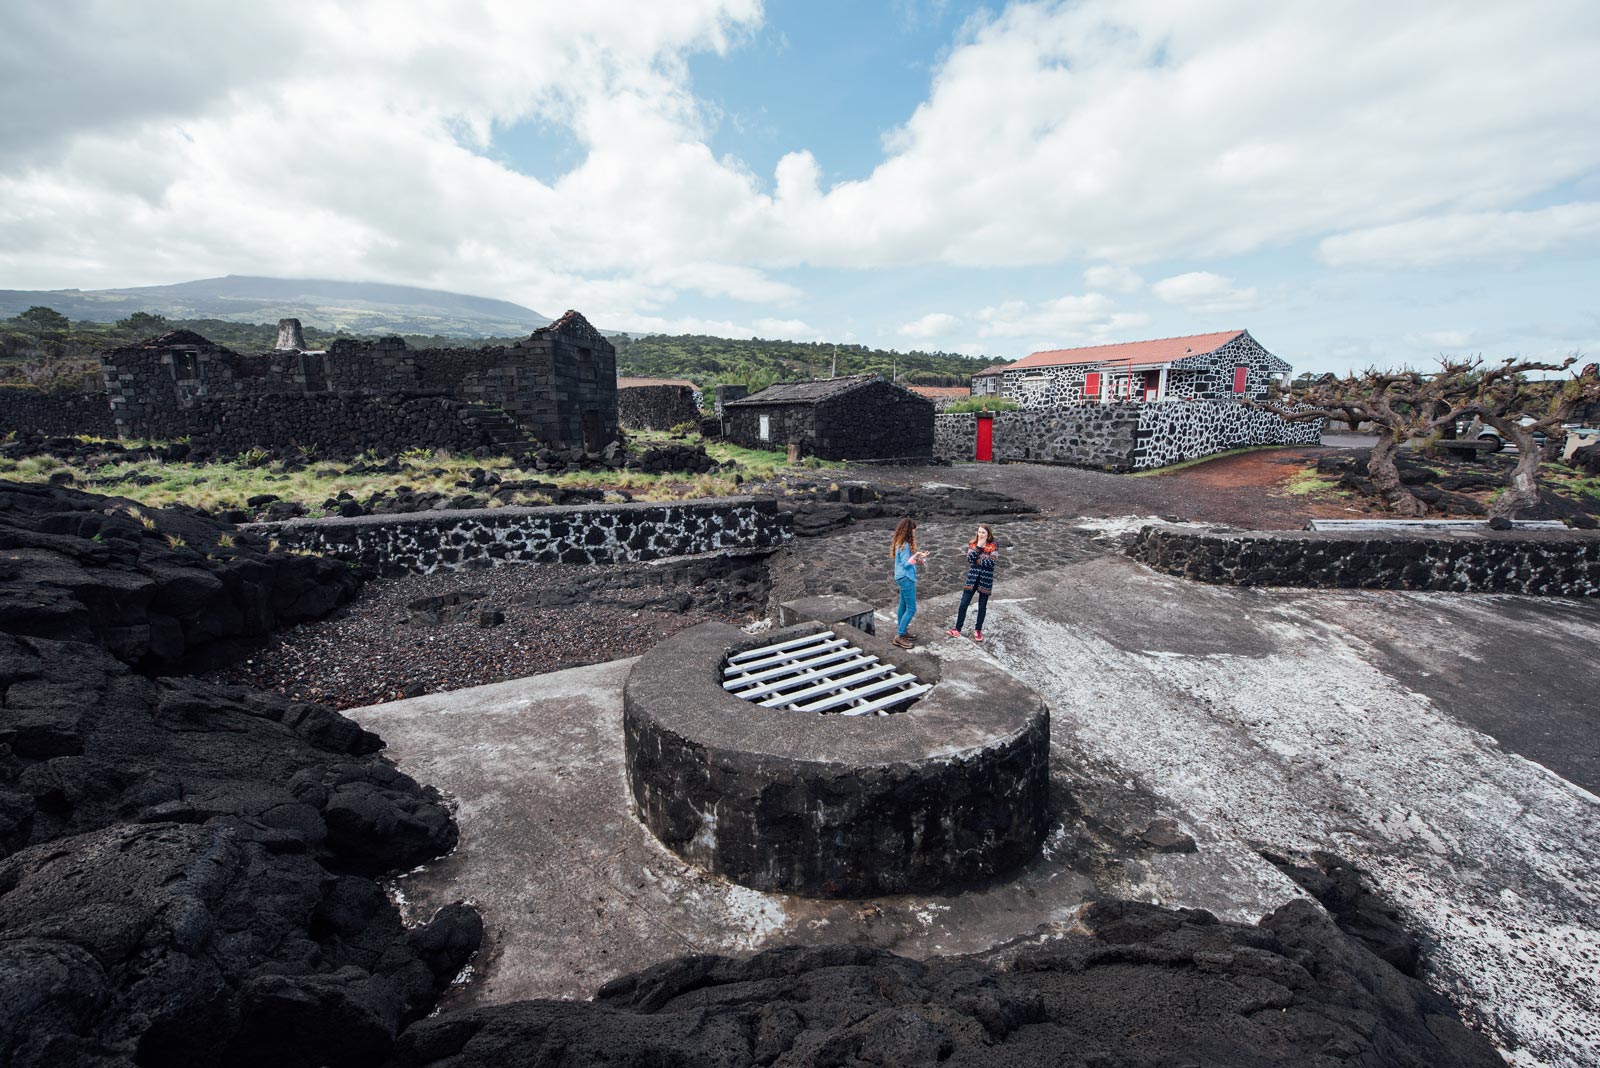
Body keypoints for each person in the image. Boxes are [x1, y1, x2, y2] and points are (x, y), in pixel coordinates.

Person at [948, 522, 998, 642]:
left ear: (988, 534)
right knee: (964, 604)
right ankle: (957, 629)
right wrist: (979, 547)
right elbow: (970, 559)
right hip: (972, 578)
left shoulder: (994, 545)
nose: (980, 534)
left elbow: (992, 562)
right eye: (979, 532)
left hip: (985, 580)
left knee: (982, 607)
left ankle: (978, 630)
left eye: (983, 532)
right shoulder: (973, 544)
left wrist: (977, 560)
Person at [890, 517, 927, 648]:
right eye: (913, 530)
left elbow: (904, 562)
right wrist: (916, 556)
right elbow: (906, 564)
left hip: (901, 577)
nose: (914, 532)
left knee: (903, 605)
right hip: (906, 578)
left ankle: (903, 631)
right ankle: (899, 636)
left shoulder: (900, 542)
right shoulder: (905, 545)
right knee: (911, 609)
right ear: (908, 530)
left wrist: (917, 558)